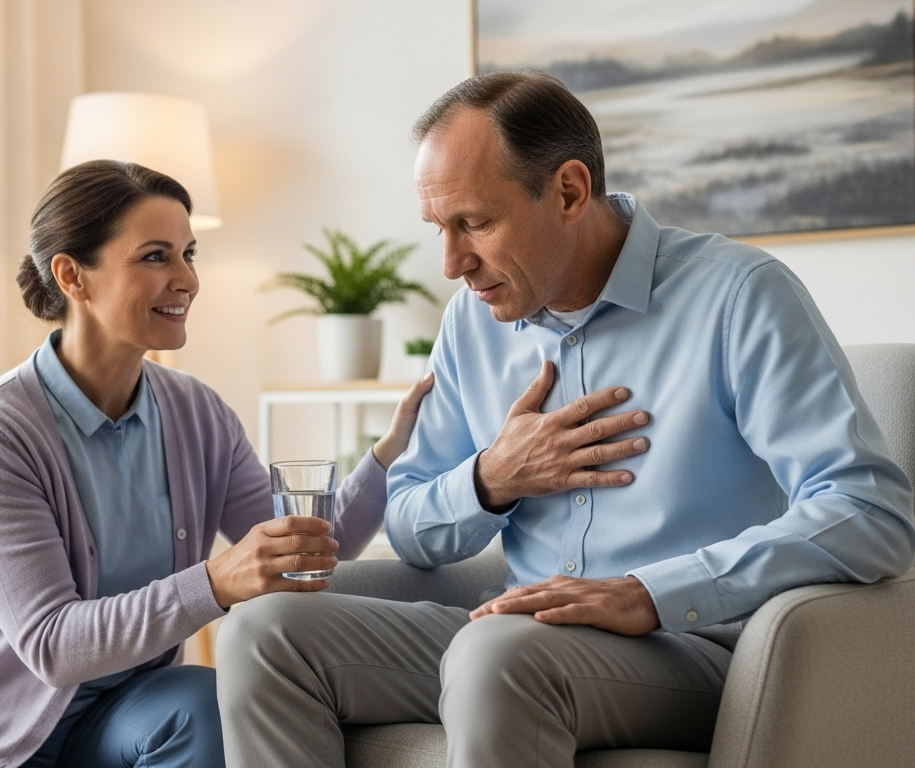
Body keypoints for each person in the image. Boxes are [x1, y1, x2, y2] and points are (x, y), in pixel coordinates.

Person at [215, 71, 915, 767]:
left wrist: (651, 592)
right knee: (261, 632)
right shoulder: (473, 322)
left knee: (497, 653)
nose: (453, 262)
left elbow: (870, 511)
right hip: (513, 636)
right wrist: (492, 478)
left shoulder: (737, 297)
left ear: (570, 191)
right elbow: (410, 525)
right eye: (440, 228)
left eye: (476, 223)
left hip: (693, 649)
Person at [0, 159, 434, 768]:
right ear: (72, 276)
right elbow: (52, 646)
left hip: (120, 714)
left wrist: (392, 451)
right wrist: (218, 581)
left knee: (207, 703)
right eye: (155, 256)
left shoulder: (197, 412)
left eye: (188, 254)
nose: (188, 279)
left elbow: (302, 548)